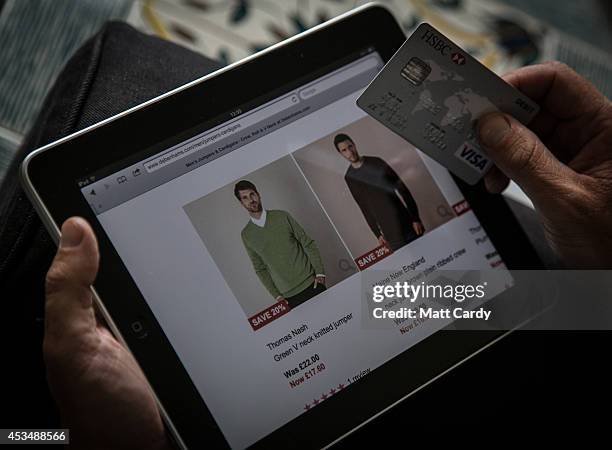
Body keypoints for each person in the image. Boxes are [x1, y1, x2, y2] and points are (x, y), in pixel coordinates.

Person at [41, 62, 612, 446]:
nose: (343, 148)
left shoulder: (335, 189)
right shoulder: (265, 224)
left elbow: (393, 199)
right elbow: (294, 252)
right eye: (337, 145)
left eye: (345, 142)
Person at [234, 180, 326, 308]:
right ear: (241, 203)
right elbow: (260, 269)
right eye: (245, 198)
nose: (251, 200)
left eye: (252, 194)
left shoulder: (282, 216)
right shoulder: (246, 235)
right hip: (288, 296)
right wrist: (276, 296)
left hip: (312, 283)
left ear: (258, 195)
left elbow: (308, 243)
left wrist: (320, 274)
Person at [333, 133, 425, 251]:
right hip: (390, 235)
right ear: (341, 153)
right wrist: (377, 234)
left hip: (407, 223)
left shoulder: (376, 162)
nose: (350, 152)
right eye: (344, 150)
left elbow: (402, 189)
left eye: (350, 146)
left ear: (354, 145)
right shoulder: (349, 178)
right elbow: (364, 207)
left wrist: (415, 218)